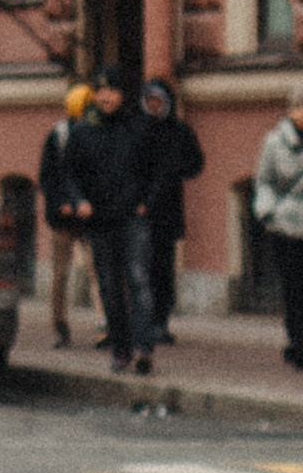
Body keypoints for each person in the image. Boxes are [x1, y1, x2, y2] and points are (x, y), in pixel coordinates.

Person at [66, 68, 157, 374]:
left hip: (132, 217)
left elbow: (155, 171)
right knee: (109, 287)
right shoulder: (83, 131)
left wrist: (146, 203)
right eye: (100, 91)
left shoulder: (139, 127)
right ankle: (120, 349)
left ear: (122, 94)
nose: (105, 97)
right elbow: (70, 173)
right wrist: (79, 201)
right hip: (100, 221)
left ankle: (144, 346)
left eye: (112, 90)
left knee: (138, 278)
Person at [136, 78, 206, 342]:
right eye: (150, 101)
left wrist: (177, 169)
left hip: (167, 210)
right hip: (140, 209)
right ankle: (142, 319)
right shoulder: (137, 129)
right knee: (140, 266)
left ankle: (161, 321)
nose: (154, 106)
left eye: (159, 102)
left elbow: (196, 163)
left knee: (163, 268)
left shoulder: (179, 131)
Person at [37, 82, 94, 346]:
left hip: (89, 213)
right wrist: (61, 202)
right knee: (61, 272)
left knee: (99, 269)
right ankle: (60, 325)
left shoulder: (95, 132)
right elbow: (47, 176)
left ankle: (107, 324)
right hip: (64, 216)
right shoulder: (59, 135)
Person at [255, 78, 303, 369]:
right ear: (293, 109)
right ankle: (298, 344)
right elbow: (264, 181)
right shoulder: (275, 142)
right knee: (294, 290)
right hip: (285, 227)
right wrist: (268, 212)